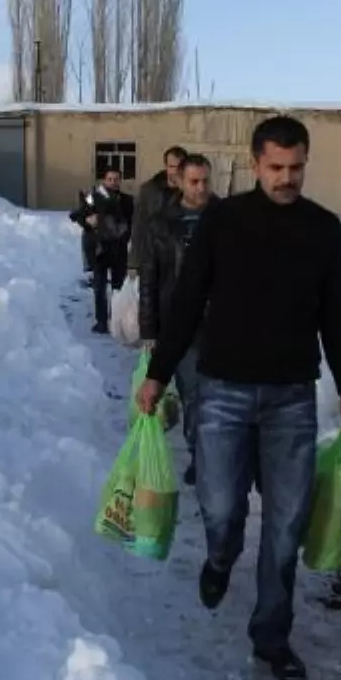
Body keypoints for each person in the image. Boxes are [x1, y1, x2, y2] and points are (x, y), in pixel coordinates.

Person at [133, 115, 341, 680]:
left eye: (296, 169)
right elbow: (188, 301)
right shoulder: (223, 221)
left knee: (287, 525)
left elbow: (337, 314)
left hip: (292, 396)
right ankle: (220, 558)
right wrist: (158, 373)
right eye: (276, 168)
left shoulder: (322, 230)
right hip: (221, 391)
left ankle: (272, 638)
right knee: (221, 510)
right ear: (256, 162)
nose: (286, 178)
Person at [138, 153, 217, 487]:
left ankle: (220, 458)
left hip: (223, 325)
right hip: (180, 326)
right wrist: (149, 329)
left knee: (222, 400)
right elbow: (150, 279)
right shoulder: (162, 224)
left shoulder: (226, 218)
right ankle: (202, 460)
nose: (201, 188)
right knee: (195, 398)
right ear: (180, 182)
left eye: (205, 181)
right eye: (194, 181)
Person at [70, 168, 134, 333]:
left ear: (120, 181)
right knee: (99, 288)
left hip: (118, 250)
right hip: (99, 250)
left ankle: (116, 321)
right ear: (104, 180)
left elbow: (133, 223)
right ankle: (101, 321)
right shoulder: (93, 197)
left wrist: (125, 234)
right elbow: (78, 215)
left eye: (116, 179)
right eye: (109, 179)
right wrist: (87, 221)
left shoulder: (127, 200)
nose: (113, 182)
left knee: (118, 288)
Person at [128, 146, 188, 280]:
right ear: (166, 166)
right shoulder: (148, 190)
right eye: (172, 166)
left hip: (182, 259)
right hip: (153, 258)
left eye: (180, 166)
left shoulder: (192, 190)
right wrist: (134, 262)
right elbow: (139, 226)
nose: (175, 171)